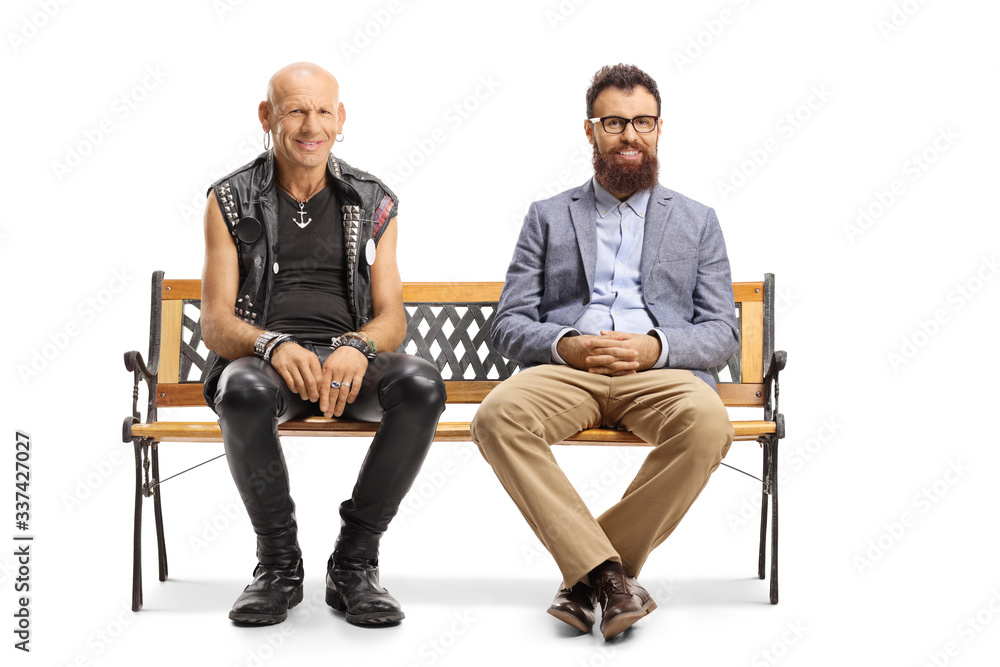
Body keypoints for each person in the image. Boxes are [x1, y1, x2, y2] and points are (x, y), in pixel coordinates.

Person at [470, 64, 739, 641]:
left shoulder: (697, 221)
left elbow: (721, 332)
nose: (629, 135)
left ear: (660, 128)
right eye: (614, 122)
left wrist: (655, 347)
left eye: (642, 121)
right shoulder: (548, 215)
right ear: (589, 130)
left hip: (661, 374)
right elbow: (509, 323)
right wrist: (567, 344)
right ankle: (612, 577)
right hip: (569, 372)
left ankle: (586, 576)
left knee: (709, 423)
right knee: (496, 416)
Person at [199, 62, 446, 627]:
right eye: (295, 110)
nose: (311, 125)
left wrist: (358, 346)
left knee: (421, 385)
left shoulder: (373, 198)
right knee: (240, 391)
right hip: (266, 368)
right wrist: (271, 345)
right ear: (268, 117)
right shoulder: (229, 199)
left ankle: (355, 564)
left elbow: (392, 317)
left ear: (341, 119)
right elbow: (215, 324)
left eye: (323, 111)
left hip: (347, 367)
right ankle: (278, 567)